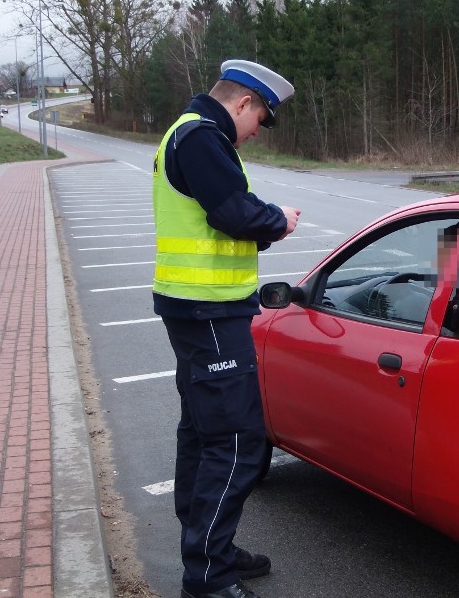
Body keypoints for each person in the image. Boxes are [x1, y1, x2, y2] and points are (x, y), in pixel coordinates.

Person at [152, 59, 301, 598]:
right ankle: (209, 576)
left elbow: (222, 208)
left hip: (198, 310)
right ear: (241, 103)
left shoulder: (191, 134)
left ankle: (210, 546)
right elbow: (233, 213)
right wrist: (278, 220)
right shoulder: (201, 137)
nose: (258, 129)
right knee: (235, 441)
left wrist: (259, 216)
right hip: (208, 311)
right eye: (260, 116)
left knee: (202, 431)